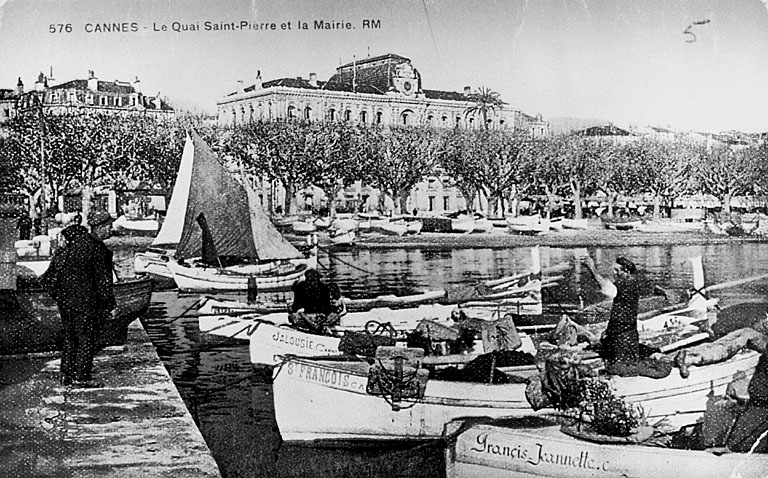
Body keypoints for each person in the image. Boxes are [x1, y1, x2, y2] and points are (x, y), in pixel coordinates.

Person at [40, 211, 116, 388]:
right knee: (86, 339)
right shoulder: (98, 249)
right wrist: (110, 305)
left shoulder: (72, 245)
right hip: (85, 303)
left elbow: (52, 274)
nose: (111, 230)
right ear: (101, 228)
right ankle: (81, 377)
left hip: (66, 301)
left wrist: (59, 296)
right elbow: (103, 282)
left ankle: (66, 375)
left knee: (70, 337)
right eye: (109, 226)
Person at [584, 256, 671, 378]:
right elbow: (649, 288)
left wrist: (591, 268)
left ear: (625, 270)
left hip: (621, 335)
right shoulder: (633, 281)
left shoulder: (624, 283)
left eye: (617, 270)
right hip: (628, 332)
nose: (614, 273)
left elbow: (606, 287)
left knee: (621, 364)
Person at [288, 269, 342, 334]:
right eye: (311, 280)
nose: (313, 283)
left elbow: (327, 306)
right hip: (307, 315)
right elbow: (296, 305)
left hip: (319, 315)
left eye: (315, 280)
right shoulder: (301, 287)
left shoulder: (323, 288)